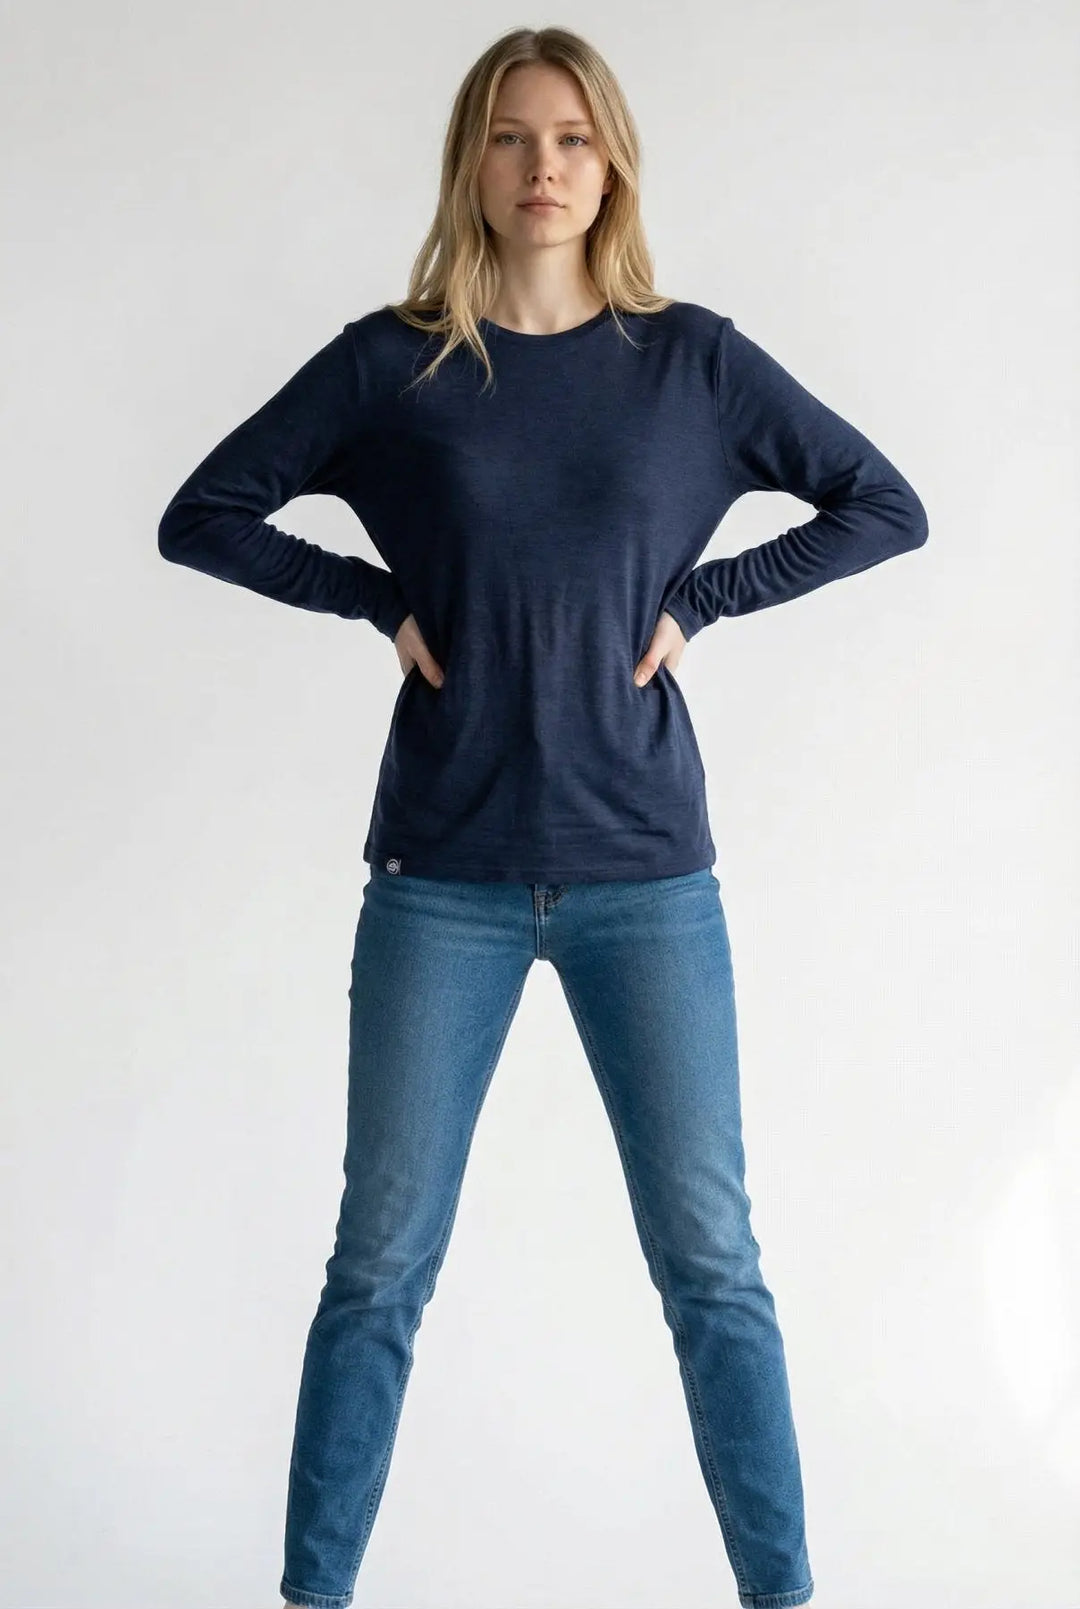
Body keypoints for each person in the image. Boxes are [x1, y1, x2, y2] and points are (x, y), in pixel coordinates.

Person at [157, 26, 928, 1609]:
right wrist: (373, 598)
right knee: (378, 1269)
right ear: (471, 163)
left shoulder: (690, 362)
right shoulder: (397, 365)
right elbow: (205, 515)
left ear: (614, 159)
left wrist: (709, 596)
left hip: (648, 874)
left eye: (572, 138)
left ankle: (785, 1595)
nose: (543, 168)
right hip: (440, 873)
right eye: (511, 139)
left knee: (714, 1267)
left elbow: (882, 503)